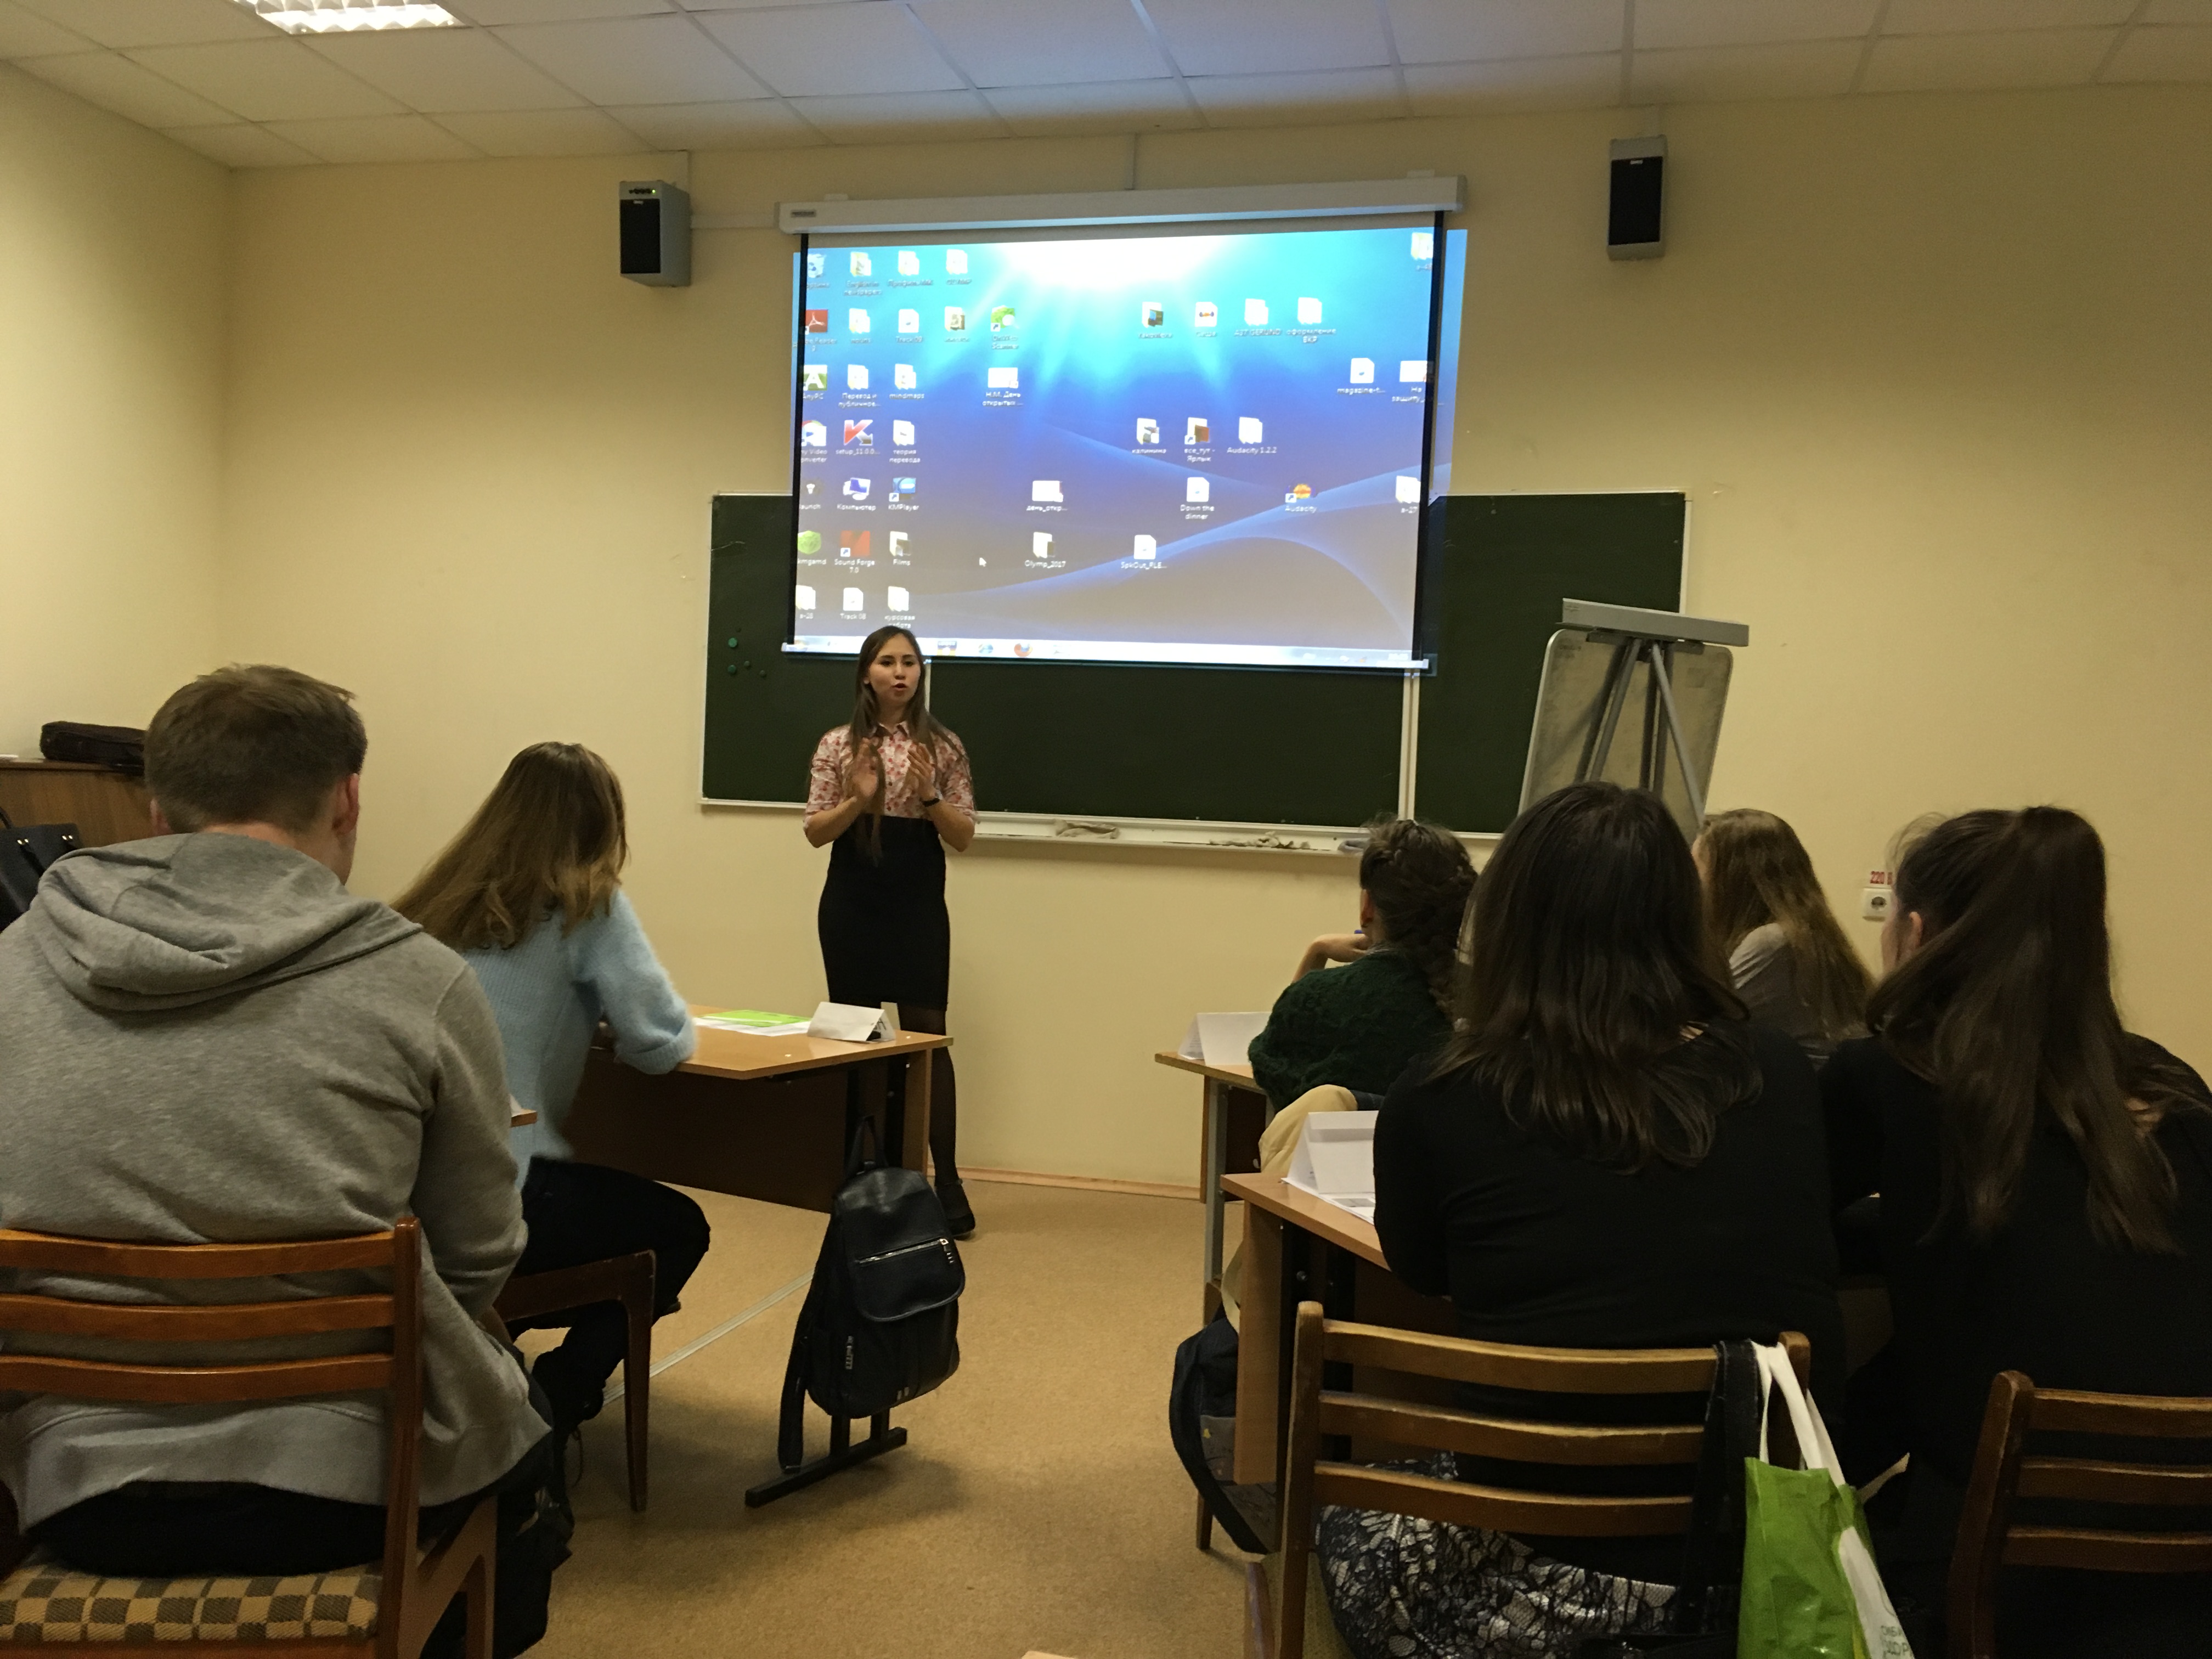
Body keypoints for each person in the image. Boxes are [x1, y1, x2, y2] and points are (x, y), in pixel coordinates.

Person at [0, 665, 562, 1657]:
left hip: (68, 1487)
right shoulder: (420, 979)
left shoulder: (13, 964)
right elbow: (479, 1254)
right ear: (347, 798)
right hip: (353, 1490)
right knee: (526, 1438)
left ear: (158, 807)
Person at [1333, 782, 1844, 1659]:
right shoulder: (1777, 1072)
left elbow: (1421, 1270)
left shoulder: (1444, 1090)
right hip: (1755, 1573)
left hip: (1533, 1579)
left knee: (1346, 1517)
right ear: (1683, 918)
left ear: (1512, 919)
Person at [1822, 807, 2212, 1657]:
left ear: (1914, 933)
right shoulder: (2173, 1087)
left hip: (1990, 1583)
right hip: (2187, 1578)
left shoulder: (1891, 1074)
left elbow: (1791, 1222)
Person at [394, 742, 710, 1445]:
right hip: (501, 1195)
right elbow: (659, 1043)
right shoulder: (585, 905)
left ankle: (489, 1362)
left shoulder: (434, 902)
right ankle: (555, 1401)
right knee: (678, 1228)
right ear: (604, 825)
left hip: (405, 1190)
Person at [804, 625, 977, 1235]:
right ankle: (861, 1179)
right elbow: (815, 831)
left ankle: (946, 1182)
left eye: (910, 662)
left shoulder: (944, 746)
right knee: (856, 1038)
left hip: (917, 903)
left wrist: (929, 797)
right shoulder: (838, 744)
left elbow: (964, 835)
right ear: (866, 673)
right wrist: (858, 800)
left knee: (929, 1037)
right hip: (853, 901)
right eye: (887, 661)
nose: (900, 672)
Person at [1246, 816, 1474, 1114]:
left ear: (1368, 907)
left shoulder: (1318, 997)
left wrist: (1316, 952)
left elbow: (1274, 1066)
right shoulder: (1494, 1001)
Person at [1694, 806, 1871, 1066]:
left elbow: (1698, 1025)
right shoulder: (1797, 932)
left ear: (1730, 880)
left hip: (1811, 1089)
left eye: (1697, 870)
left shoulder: (1772, 943)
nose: (1692, 886)